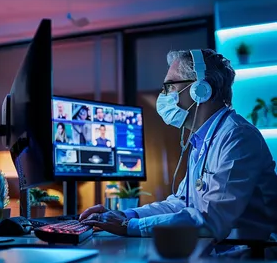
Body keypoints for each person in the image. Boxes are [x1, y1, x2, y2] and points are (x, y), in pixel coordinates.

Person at [80, 48, 277, 248]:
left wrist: (129, 225)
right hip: (218, 251)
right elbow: (181, 203)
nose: (163, 95)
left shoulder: (237, 137)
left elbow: (212, 219)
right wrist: (125, 215)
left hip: (248, 259)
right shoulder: (203, 139)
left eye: (169, 86)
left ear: (200, 90)